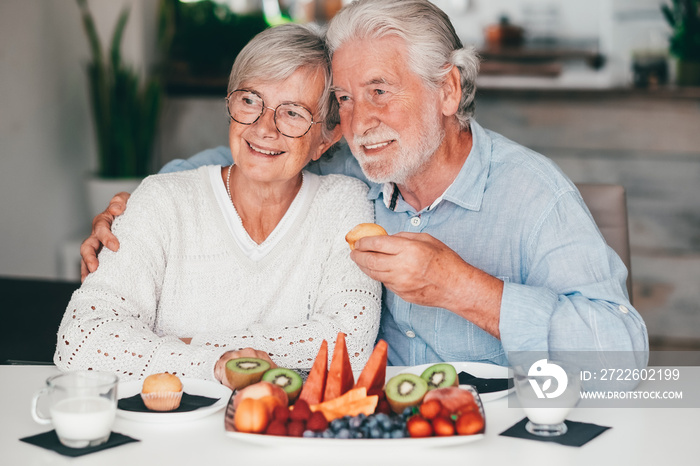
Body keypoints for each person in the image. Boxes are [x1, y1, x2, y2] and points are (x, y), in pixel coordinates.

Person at [81, 0, 648, 370]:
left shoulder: (533, 196)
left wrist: (463, 288)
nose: (360, 122)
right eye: (346, 100)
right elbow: (249, 156)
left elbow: (623, 356)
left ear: (448, 91)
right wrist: (135, 210)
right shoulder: (350, 164)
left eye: (381, 91)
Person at [56, 23, 381, 386]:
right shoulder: (162, 199)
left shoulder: (344, 203)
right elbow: (81, 340)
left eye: (292, 112)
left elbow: (349, 347)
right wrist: (213, 364)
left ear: (326, 138)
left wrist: (180, 344)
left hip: (283, 433)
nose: (263, 128)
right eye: (249, 101)